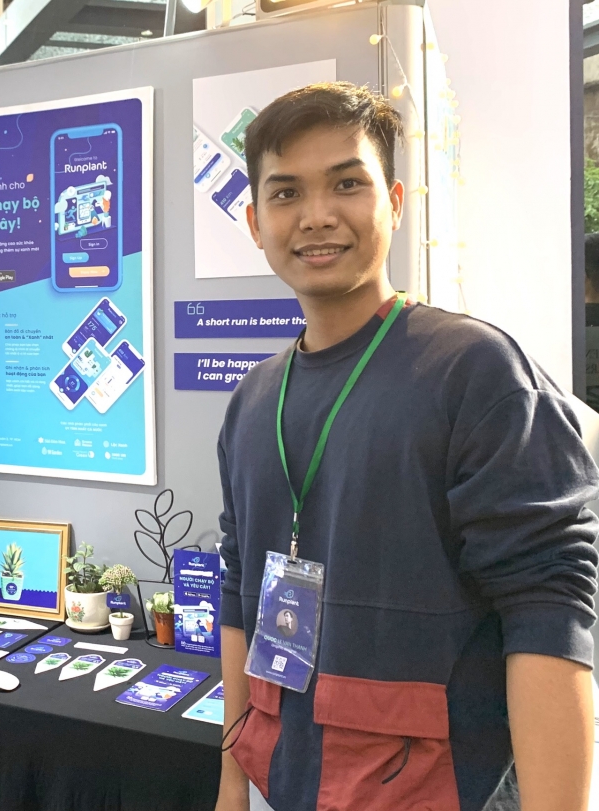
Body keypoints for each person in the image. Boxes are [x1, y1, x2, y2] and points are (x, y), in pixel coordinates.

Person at [214, 82, 599, 811]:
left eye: (347, 184)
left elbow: (549, 606)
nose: (317, 215)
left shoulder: (473, 372)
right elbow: (241, 596)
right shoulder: (253, 399)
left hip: (440, 790)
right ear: (256, 222)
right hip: (284, 778)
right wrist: (234, 782)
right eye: (287, 192)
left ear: (393, 203)